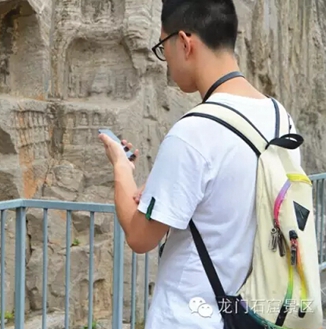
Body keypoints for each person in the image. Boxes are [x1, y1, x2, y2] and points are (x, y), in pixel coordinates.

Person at [98, 0, 301, 328]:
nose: (166, 61)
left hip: (187, 316)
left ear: (185, 42)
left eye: (163, 46)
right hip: (251, 311)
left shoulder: (194, 131)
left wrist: (121, 167)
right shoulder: (281, 119)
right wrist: (160, 190)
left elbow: (139, 236)